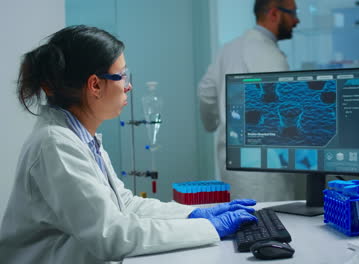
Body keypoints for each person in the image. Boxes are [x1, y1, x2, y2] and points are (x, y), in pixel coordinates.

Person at [0, 25, 257, 264]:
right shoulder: (55, 144)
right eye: (122, 76)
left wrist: (195, 214)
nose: (129, 85)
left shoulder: (77, 136)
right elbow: (111, 235)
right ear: (95, 85)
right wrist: (210, 228)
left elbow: (125, 205)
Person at [198, 0, 303, 201]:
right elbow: (281, 110)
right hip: (265, 170)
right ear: (274, 14)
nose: (296, 20)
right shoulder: (270, 55)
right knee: (270, 224)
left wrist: (211, 123)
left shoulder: (229, 48)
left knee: (243, 223)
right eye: (293, 13)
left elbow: (206, 92)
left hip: (233, 164)